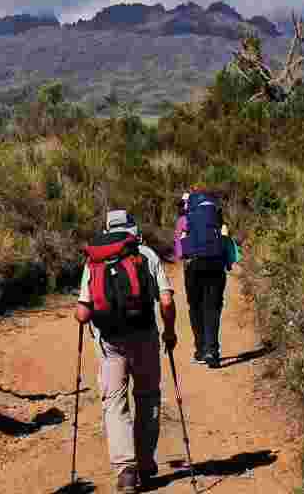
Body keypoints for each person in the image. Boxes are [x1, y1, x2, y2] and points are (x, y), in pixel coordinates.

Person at [74, 209, 177, 493]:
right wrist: (169, 332)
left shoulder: (95, 259)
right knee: (148, 396)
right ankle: (145, 463)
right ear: (134, 228)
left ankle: (126, 471)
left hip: (109, 342)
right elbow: (166, 302)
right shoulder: (146, 254)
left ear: (107, 229)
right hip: (144, 336)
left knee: (114, 403)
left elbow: (82, 313)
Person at [175, 190, 233, 367]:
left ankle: (200, 350)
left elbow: (180, 250)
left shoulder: (186, 219)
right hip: (216, 265)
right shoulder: (218, 219)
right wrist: (226, 264)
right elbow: (227, 243)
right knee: (213, 307)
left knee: (195, 307)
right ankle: (212, 351)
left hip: (194, 266)